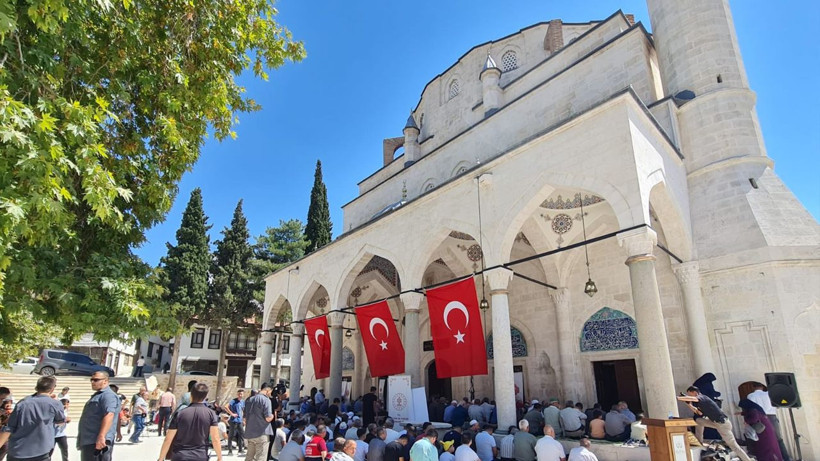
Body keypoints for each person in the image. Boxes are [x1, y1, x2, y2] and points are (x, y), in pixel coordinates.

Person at [677, 386, 752, 461]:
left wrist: (681, 398)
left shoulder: (702, 397)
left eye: (690, 394)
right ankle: (699, 441)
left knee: (734, 446)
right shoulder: (700, 403)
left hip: (723, 425)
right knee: (699, 421)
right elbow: (699, 413)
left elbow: (695, 399)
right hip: (715, 423)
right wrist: (688, 404)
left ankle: (747, 460)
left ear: (694, 392)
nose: (689, 396)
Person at [0, 376, 66, 461]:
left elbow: (9, 427)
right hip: (41, 451)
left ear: (37, 387)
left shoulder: (22, 403)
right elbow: (60, 422)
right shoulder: (55, 404)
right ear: (52, 389)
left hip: (18, 451)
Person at [158, 382, 223, 461]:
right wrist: (219, 457)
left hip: (180, 455)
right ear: (205, 396)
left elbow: (168, 439)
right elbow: (215, 438)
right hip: (200, 456)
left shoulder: (180, 413)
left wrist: (161, 458)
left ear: (191, 395)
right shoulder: (211, 414)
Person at [78, 371, 121, 461]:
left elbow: (109, 415)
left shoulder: (108, 396)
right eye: (91, 380)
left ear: (105, 381)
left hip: (98, 442)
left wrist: (101, 436)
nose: (92, 382)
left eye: (96, 380)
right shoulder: (99, 395)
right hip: (90, 440)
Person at [748, 382, 791, 461]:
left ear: (753, 387)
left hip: (760, 418)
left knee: (762, 439)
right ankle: (786, 458)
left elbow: (751, 408)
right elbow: (777, 405)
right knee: (778, 438)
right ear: (762, 387)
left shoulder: (751, 396)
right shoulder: (769, 394)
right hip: (772, 417)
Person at [245, 383, 276, 461]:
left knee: (249, 457)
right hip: (262, 433)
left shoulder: (249, 400)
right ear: (268, 390)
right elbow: (268, 418)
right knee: (261, 457)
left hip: (250, 433)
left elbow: (244, 418)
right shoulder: (266, 400)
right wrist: (273, 416)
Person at [228, 389, 246, 455]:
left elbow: (243, 410)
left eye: (241, 394)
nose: (240, 395)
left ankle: (240, 450)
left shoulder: (243, 402)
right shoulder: (233, 401)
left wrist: (244, 420)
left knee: (242, 435)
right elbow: (226, 407)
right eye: (239, 394)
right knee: (231, 436)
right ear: (237, 394)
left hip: (240, 421)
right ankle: (230, 451)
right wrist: (232, 414)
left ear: (243, 394)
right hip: (233, 421)